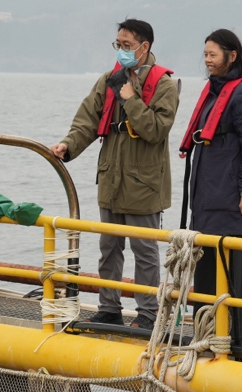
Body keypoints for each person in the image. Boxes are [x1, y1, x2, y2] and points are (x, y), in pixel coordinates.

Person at [51, 19, 179, 327]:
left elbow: (156, 130)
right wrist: (68, 145)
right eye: (117, 45)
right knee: (108, 248)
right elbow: (87, 120)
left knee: (144, 251)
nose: (121, 51)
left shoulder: (164, 85)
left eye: (126, 45)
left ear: (144, 47)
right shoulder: (109, 79)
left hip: (145, 183)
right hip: (111, 179)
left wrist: (131, 99)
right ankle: (109, 307)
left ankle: (148, 314)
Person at [177, 28, 242, 346]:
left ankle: (238, 339)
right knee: (204, 269)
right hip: (206, 197)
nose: (208, 61)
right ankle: (204, 332)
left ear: (232, 55)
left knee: (233, 270)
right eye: (205, 55)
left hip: (230, 199)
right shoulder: (213, 92)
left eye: (213, 55)